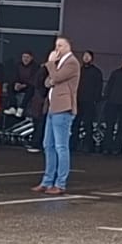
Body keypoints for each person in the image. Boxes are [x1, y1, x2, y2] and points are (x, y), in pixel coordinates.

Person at [36, 38, 80, 194]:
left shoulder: (72, 62)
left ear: (68, 47)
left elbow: (55, 78)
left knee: (61, 146)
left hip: (63, 108)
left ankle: (60, 183)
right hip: (52, 107)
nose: (57, 49)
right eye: (56, 46)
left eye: (60, 46)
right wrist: (53, 74)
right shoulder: (59, 64)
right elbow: (48, 82)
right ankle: (47, 181)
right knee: (48, 144)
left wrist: (50, 64)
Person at [75, 50, 103, 152]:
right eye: (84, 56)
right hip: (77, 101)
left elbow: (99, 87)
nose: (86, 58)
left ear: (92, 58)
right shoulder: (78, 70)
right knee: (75, 123)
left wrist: (96, 99)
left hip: (89, 102)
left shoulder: (96, 72)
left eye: (88, 56)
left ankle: (88, 145)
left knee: (88, 124)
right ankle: (73, 144)